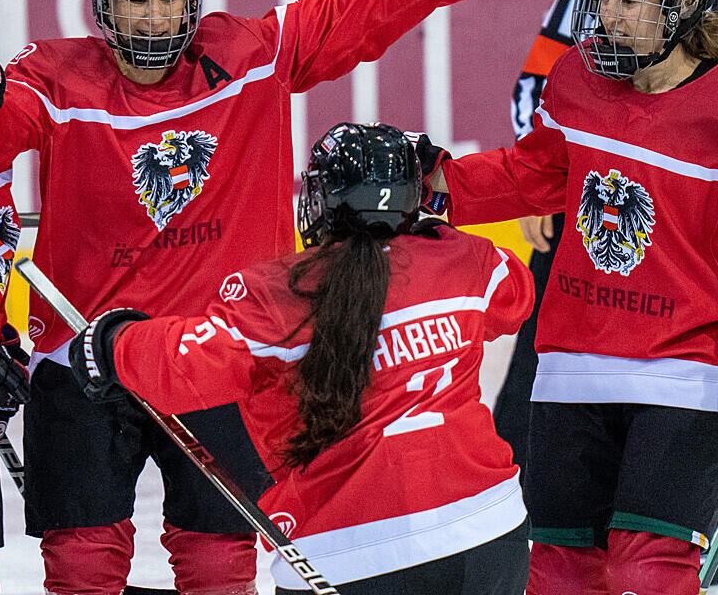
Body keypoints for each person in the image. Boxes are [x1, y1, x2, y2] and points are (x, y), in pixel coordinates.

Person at [0, 0, 562, 594]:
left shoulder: (248, 53)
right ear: (102, 2)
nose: (152, 15)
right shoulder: (47, 77)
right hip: (80, 351)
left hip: (220, 355)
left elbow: (357, 16)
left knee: (218, 564)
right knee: (79, 567)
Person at [66, 122, 536, 595]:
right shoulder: (470, 262)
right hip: (491, 534)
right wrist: (433, 220)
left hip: (352, 553)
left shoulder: (279, 293)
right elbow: (516, 296)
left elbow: (186, 366)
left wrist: (112, 343)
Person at [418, 0, 718, 594]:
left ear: (685, 2)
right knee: (557, 572)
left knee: (648, 570)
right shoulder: (578, 80)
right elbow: (531, 174)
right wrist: (428, 182)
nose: (609, 12)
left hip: (686, 375)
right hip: (571, 370)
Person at [496, 0, 718, 486]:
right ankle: (528, 503)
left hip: (697, 210)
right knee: (545, 360)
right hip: (604, 178)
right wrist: (539, 165)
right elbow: (544, 68)